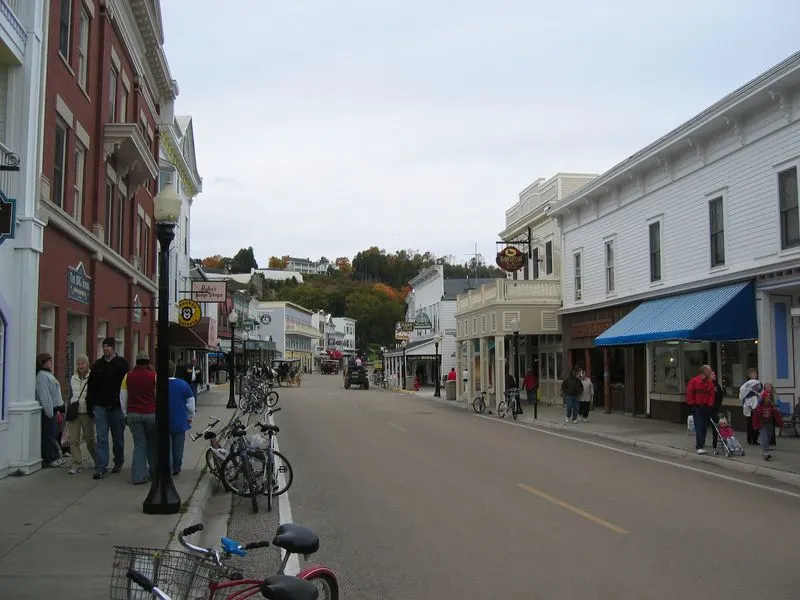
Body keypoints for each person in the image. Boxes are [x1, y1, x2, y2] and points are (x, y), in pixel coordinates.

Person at [120, 351, 157, 485]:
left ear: (136, 362)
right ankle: (155, 473)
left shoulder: (128, 376)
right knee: (152, 444)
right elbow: (158, 395)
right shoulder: (154, 376)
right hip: (151, 414)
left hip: (133, 414)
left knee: (139, 445)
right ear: (148, 362)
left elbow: (123, 397)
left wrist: (125, 413)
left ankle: (138, 476)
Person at [66, 355, 96, 474]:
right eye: (78, 364)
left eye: (83, 363)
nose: (80, 366)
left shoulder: (92, 377)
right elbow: (70, 395)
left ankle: (98, 461)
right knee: (74, 440)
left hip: (86, 412)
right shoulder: (73, 378)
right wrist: (68, 410)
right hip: (75, 412)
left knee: (90, 439)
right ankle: (76, 464)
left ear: (87, 364)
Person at [35, 353, 65, 467]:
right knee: (48, 435)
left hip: (55, 410)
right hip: (48, 412)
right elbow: (45, 396)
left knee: (54, 434)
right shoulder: (42, 377)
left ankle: (55, 455)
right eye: (49, 361)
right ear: (43, 362)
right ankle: (49, 458)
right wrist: (49, 412)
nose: (51, 363)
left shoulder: (48, 375)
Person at [168, 361, 196, 476]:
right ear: (174, 371)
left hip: (164, 421)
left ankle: (167, 467)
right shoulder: (183, 384)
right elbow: (191, 404)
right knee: (178, 447)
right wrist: (190, 417)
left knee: (167, 447)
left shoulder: (157, 384)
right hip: (180, 420)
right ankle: (176, 467)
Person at [685, 364, 715, 454]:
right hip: (697, 406)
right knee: (699, 426)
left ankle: (702, 443)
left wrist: (710, 404)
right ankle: (699, 446)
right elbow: (689, 393)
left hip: (706, 406)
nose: (710, 372)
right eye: (709, 370)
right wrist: (692, 404)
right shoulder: (694, 381)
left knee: (704, 426)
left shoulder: (709, 382)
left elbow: (711, 394)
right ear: (704, 371)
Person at [753, 387, 783, 461]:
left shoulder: (772, 406)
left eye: (769, 398)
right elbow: (755, 417)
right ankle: (766, 452)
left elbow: (777, 416)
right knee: (765, 438)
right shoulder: (759, 407)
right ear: (764, 398)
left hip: (770, 424)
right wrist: (755, 425)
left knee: (768, 438)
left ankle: (765, 449)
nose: (768, 399)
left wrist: (781, 423)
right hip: (762, 424)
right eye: (767, 398)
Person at [739, 368, 762, 445]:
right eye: (753, 373)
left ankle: (755, 439)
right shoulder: (746, 384)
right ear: (749, 375)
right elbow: (743, 393)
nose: (755, 375)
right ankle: (750, 438)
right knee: (750, 422)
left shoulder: (757, 383)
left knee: (756, 422)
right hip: (749, 405)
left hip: (756, 405)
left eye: (755, 373)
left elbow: (758, 390)